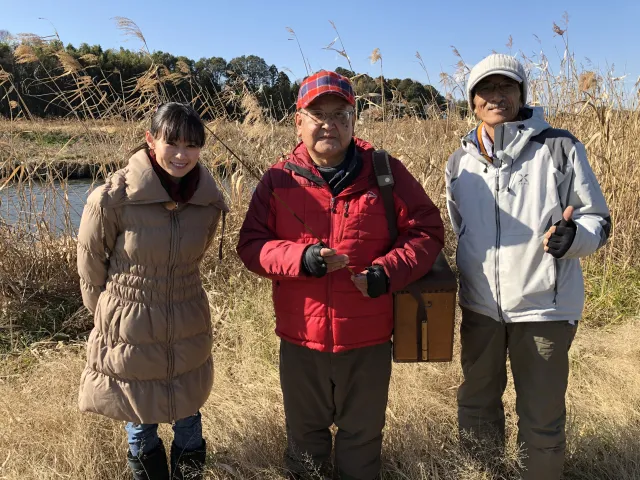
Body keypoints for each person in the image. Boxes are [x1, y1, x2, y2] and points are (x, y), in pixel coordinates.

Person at [237, 70, 444, 480]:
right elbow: (252, 245)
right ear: (299, 121)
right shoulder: (278, 179)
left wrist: (387, 272)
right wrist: (301, 259)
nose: (328, 123)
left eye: (339, 114)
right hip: (301, 343)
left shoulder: (385, 171)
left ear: (353, 120)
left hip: (367, 341)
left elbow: (427, 231)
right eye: (317, 114)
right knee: (304, 443)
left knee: (362, 442)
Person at [445, 54, 610, 479]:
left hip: (543, 309)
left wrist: (573, 238)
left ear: (522, 95)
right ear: (472, 101)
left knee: (541, 416)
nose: (497, 96)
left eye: (507, 87)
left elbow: (597, 219)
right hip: (480, 308)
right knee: (476, 407)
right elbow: (459, 225)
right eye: (487, 89)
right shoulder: (459, 160)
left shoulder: (559, 147)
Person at [76, 102, 228, 480]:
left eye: (191, 145)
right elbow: (90, 265)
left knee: (189, 415)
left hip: (188, 321)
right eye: (171, 142)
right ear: (150, 140)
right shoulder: (112, 199)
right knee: (140, 422)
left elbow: (195, 257)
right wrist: (112, 316)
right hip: (131, 326)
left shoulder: (207, 203)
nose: (181, 154)